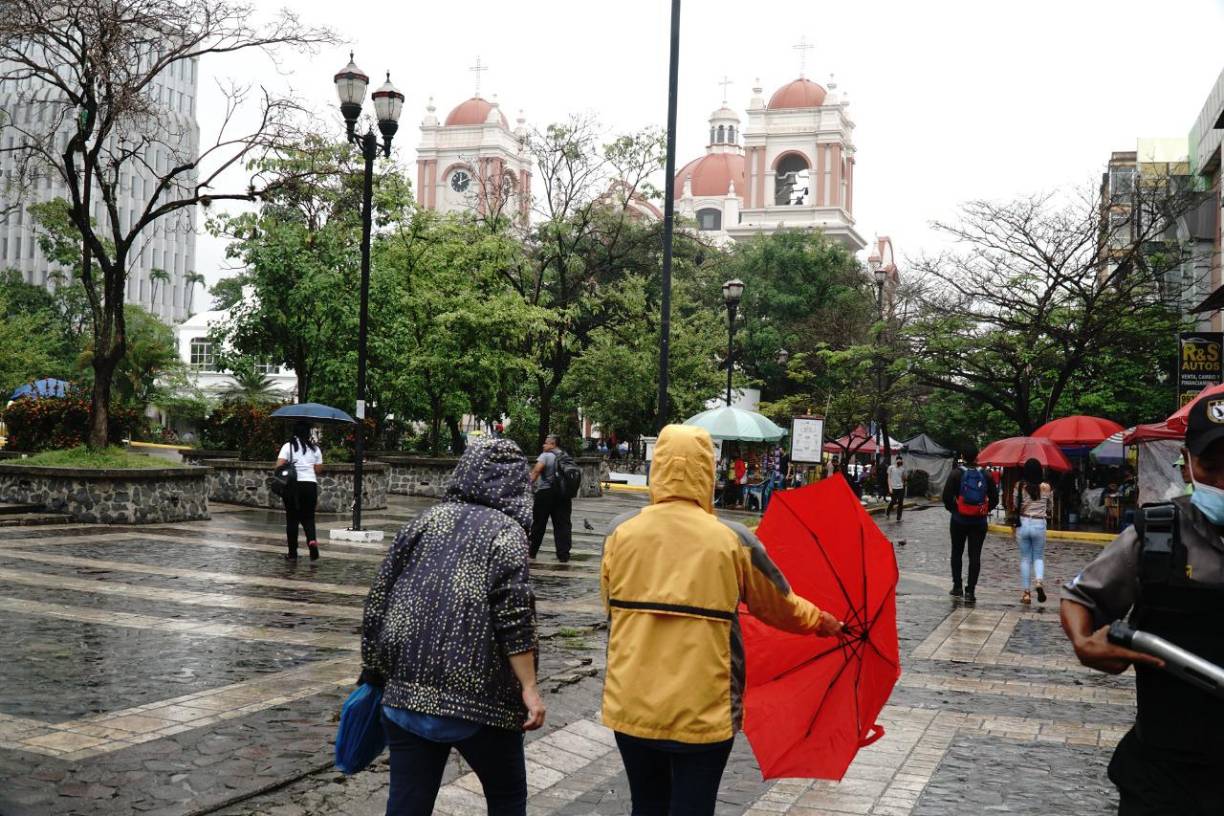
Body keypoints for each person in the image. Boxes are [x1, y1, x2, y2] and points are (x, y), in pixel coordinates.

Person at [599, 425, 843, 815]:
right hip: (704, 709)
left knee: (646, 804)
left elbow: (609, 605)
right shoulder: (733, 540)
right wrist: (821, 621)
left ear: (656, 467)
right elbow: (779, 604)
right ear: (706, 472)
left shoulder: (619, 534)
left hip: (631, 704)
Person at [360, 439, 545, 815]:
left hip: (407, 695)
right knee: (507, 797)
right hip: (483, 702)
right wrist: (529, 688)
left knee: (407, 803)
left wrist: (375, 670)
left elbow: (378, 601)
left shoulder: (423, 521)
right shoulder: (507, 534)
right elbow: (514, 617)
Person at [1060, 396, 1224, 814]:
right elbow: (1081, 596)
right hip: (1163, 775)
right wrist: (1084, 641)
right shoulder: (1157, 534)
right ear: (1187, 462)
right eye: (1212, 466)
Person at [941, 447, 999, 604]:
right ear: (977, 456)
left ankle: (957, 586)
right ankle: (971, 591)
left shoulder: (956, 474)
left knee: (957, 552)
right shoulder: (986, 474)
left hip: (959, 520)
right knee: (975, 556)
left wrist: (955, 510)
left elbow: (946, 496)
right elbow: (994, 499)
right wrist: (984, 510)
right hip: (979, 522)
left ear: (962, 456)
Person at [276, 422, 323, 561]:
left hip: (293, 486)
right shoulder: (315, 448)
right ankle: (312, 542)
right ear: (308, 433)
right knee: (309, 517)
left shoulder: (288, 446)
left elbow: (279, 466)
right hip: (310, 485)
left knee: (292, 519)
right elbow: (318, 469)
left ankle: (292, 554)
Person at [1013, 458, 1052, 605]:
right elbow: (1050, 506)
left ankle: (1026, 594)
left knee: (1025, 559)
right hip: (1039, 523)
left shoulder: (1019, 485)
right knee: (1038, 557)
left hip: (1023, 523)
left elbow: (1016, 503)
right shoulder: (1046, 487)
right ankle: (1039, 582)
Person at [529, 435, 573, 562]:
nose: (544, 445)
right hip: (563, 495)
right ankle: (563, 555)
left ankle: (532, 552)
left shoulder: (546, 455)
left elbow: (536, 471)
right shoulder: (565, 457)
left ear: (553, 444)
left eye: (546, 443)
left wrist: (528, 484)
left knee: (539, 524)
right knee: (563, 525)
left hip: (545, 493)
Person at [886, 456, 907, 521]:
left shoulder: (903, 469)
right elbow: (889, 478)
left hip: (901, 487)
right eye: (898, 461)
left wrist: (904, 481)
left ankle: (899, 517)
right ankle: (888, 511)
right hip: (893, 487)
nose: (899, 463)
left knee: (900, 502)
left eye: (900, 461)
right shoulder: (891, 468)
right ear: (896, 461)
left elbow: (904, 478)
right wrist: (890, 488)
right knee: (894, 501)